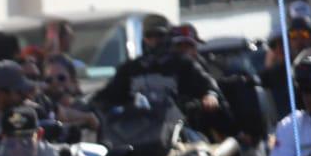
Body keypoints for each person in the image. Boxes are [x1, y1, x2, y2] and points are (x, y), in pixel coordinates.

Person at [96, 15, 224, 117]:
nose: (155, 40)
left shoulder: (183, 64)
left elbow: (207, 83)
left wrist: (210, 95)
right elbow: (108, 94)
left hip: (179, 128)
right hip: (138, 129)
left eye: (159, 35)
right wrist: (89, 105)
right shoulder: (131, 68)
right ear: (144, 39)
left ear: (167, 37)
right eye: (150, 36)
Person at [41, 54, 100, 135]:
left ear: (73, 81)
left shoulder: (86, 107)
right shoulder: (44, 108)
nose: (55, 83)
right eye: (49, 80)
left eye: (61, 78)